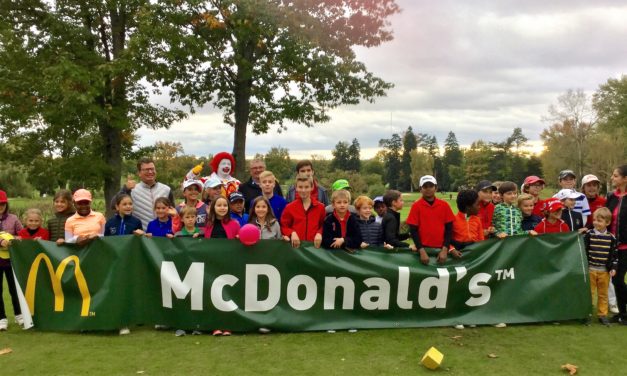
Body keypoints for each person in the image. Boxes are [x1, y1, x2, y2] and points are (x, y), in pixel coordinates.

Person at [406, 175, 456, 265]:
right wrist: (421, 251)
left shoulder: (444, 205)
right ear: (420, 189)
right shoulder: (416, 206)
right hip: (424, 249)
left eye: (431, 186)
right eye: (425, 186)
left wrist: (445, 249)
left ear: (436, 188)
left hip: (441, 249)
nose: (428, 189)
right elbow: (413, 231)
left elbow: (449, 230)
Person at [584, 207, 618, 326]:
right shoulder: (589, 235)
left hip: (604, 271)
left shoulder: (611, 238)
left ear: (607, 223)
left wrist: (613, 268)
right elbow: (584, 251)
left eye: (599, 221)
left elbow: (614, 255)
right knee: (589, 294)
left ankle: (602, 315)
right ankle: (587, 314)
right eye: (594, 220)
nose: (596, 223)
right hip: (591, 270)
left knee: (603, 294)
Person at [122, 157, 175, 229]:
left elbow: (173, 212)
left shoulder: (166, 189)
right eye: (147, 170)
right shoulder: (132, 191)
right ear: (139, 173)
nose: (150, 172)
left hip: (164, 236)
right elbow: (114, 205)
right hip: (141, 237)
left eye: (152, 169)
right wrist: (125, 188)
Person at [280, 173, 325, 248]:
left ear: (312, 187)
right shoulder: (289, 207)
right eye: (300, 187)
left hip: (314, 248)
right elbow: (283, 226)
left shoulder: (320, 207)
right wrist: (292, 233)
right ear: (296, 188)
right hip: (296, 249)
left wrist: (319, 233)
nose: (303, 190)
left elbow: (324, 225)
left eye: (306, 187)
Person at [606, 164, 627, 324]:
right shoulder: (611, 197)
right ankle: (622, 314)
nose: (612, 178)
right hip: (614, 247)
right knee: (616, 280)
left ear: (625, 179)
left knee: (618, 280)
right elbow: (605, 217)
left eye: (615, 175)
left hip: (626, 247)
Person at [0, 190, 23, 330]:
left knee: (14, 289)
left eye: (2, 203)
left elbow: (22, 235)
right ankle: (1, 318)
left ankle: (19, 315)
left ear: (6, 203)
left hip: (11, 260)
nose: (0, 206)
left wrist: (14, 239)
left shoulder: (13, 218)